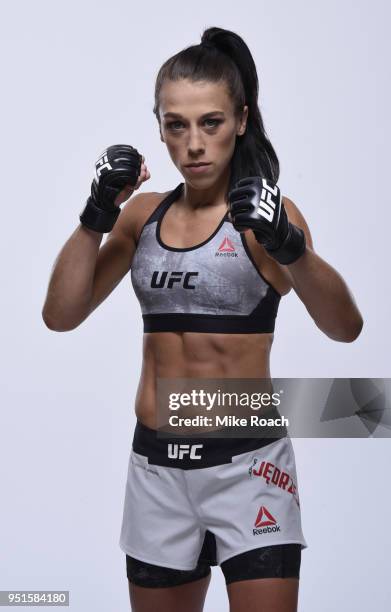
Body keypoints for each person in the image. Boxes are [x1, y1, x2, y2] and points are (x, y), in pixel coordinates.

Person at [42, 26, 363, 612]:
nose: (193, 143)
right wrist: (95, 216)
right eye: (175, 125)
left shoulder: (267, 218)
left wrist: (289, 245)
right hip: (157, 470)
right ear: (160, 126)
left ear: (240, 120)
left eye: (210, 123)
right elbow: (60, 317)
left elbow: (345, 328)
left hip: (249, 466)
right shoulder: (141, 215)